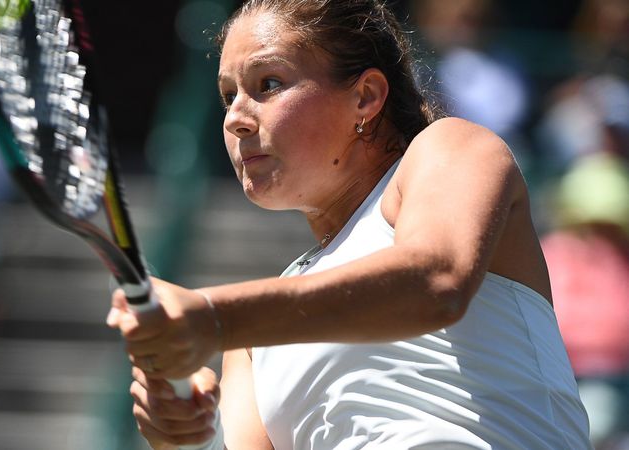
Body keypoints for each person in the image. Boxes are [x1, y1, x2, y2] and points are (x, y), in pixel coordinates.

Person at [106, 0, 592, 448]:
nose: (235, 118)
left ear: (366, 96)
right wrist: (188, 436)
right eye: (228, 96)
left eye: (268, 84)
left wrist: (216, 318)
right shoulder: (250, 347)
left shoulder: (452, 146)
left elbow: (435, 280)